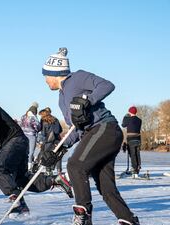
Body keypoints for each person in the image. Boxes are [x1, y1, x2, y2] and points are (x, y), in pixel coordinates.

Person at [41, 47, 139, 225]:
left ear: (55, 73)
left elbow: (107, 85)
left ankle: (83, 215)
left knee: (76, 165)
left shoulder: (77, 78)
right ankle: (129, 220)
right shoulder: (61, 99)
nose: (45, 80)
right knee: (106, 188)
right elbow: (75, 129)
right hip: (93, 135)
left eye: (46, 75)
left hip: (105, 128)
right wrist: (58, 148)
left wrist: (87, 100)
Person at [0, 80, 73, 218]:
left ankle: (19, 203)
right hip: (17, 143)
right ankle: (55, 180)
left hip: (15, 141)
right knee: (22, 179)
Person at [36, 108, 63, 175]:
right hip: (57, 140)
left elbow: (43, 133)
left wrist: (40, 141)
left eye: (41, 115)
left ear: (43, 114)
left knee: (47, 156)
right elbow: (60, 130)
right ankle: (59, 171)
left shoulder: (43, 121)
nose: (41, 116)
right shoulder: (55, 119)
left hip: (48, 141)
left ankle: (48, 171)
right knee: (58, 155)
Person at [122, 106, 142, 178]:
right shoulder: (139, 120)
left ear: (130, 112)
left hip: (131, 139)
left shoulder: (128, 119)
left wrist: (125, 117)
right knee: (137, 154)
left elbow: (123, 125)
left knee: (132, 154)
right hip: (138, 139)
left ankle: (134, 169)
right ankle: (138, 167)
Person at [19, 102, 40, 170]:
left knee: (24, 151)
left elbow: (20, 125)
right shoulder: (33, 118)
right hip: (31, 136)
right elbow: (38, 127)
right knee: (31, 152)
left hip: (23, 135)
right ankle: (29, 166)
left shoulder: (23, 116)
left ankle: (23, 165)